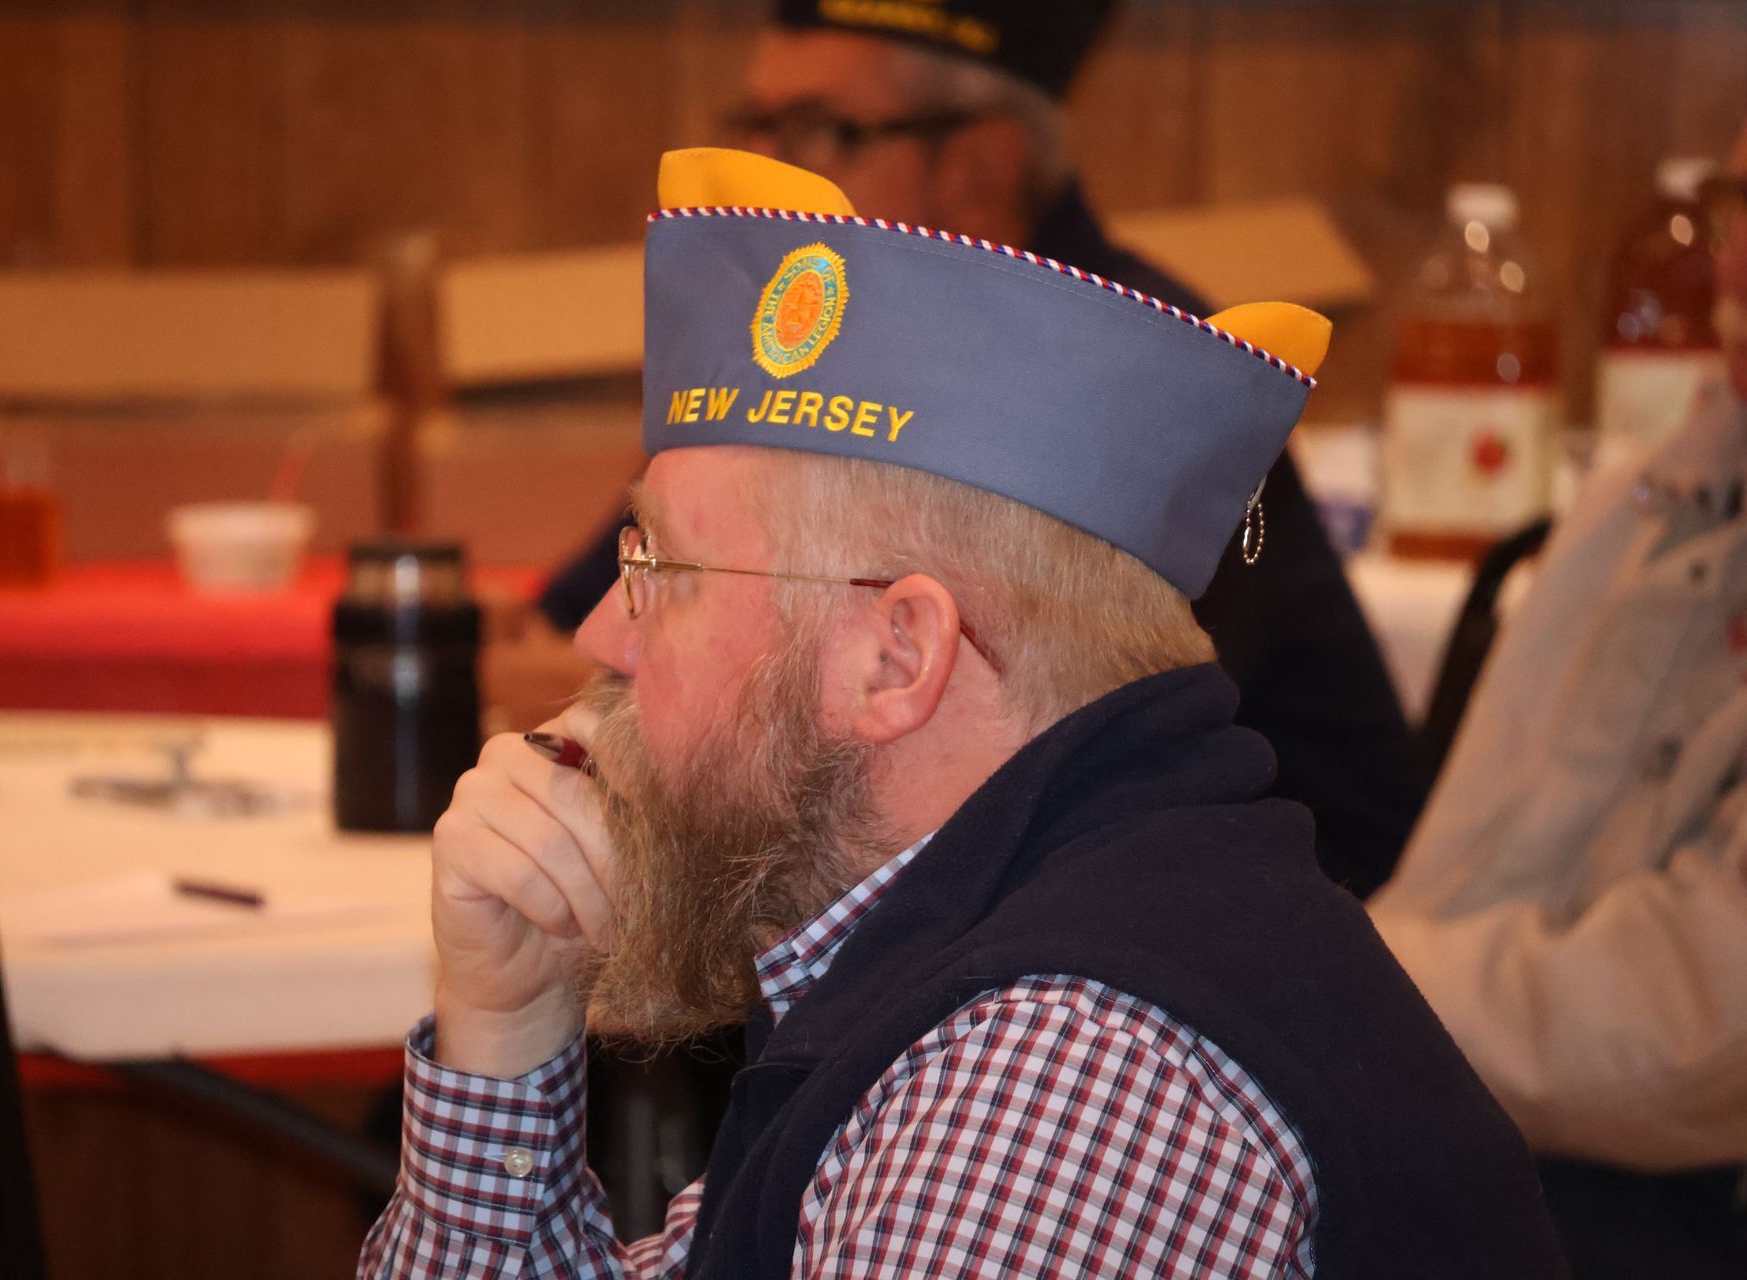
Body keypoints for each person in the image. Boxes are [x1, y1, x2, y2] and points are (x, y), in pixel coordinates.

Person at [358, 146, 1563, 1279]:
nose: (599, 637)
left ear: (898, 657)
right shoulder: (959, 950)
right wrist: (507, 1031)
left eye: (658, 572)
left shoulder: (1065, 1083)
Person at [537, 0, 1423, 899]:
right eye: (754, 124)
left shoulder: (1133, 380)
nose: (764, 169)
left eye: (819, 129)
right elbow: (598, 621)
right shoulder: (855, 348)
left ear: (977, 166)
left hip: (1225, 927)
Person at [1367, 126, 1747, 1278]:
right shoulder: (1645, 496)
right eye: (1735, 204)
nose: (1731, 260)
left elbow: (1707, 1027)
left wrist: (1354, 994)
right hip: (1510, 1135)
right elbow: (1466, 863)